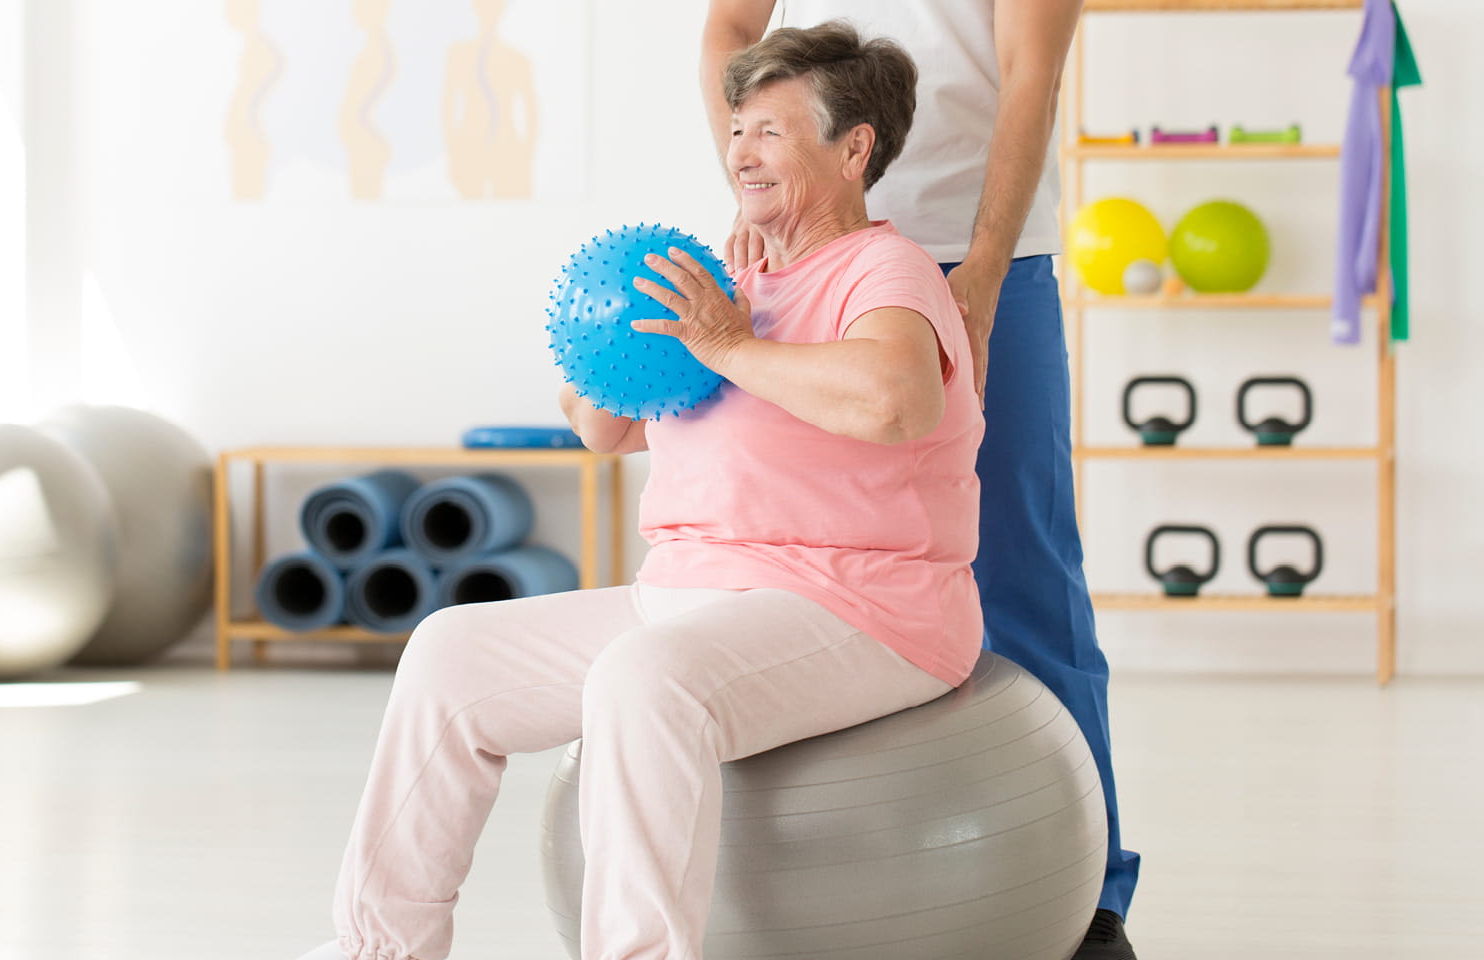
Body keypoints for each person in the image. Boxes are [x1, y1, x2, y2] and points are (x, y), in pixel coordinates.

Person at [297, 23, 983, 960]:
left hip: (859, 607)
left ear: (854, 148)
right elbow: (604, 431)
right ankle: (378, 949)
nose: (742, 152)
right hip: (683, 596)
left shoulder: (883, 270)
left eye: (773, 132)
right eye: (739, 128)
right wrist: (610, 340)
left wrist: (728, 347)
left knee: (642, 677)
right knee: (448, 653)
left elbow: (894, 400)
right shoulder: (723, 281)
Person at [702, 4, 1140, 959]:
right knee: (788, 550)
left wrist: (982, 268)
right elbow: (729, 30)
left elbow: (1032, 74)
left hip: (985, 255)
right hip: (813, 244)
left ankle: (1093, 897)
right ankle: (797, 877)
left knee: (1024, 566)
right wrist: (759, 194)